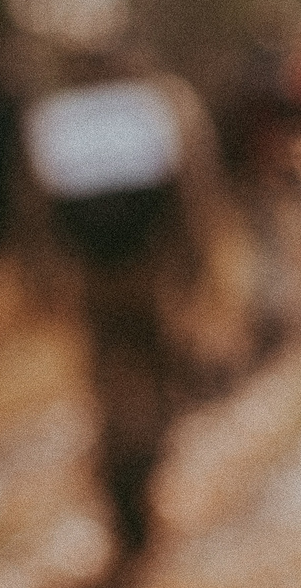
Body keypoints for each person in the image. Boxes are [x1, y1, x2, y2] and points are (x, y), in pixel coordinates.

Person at [24, 57, 233, 560]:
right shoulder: (161, 100)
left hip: (94, 282)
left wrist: (48, 279)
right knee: (159, 384)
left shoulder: (60, 117)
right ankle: (136, 501)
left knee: (113, 391)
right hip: (151, 275)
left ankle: (126, 506)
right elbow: (193, 187)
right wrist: (195, 263)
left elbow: (36, 204)